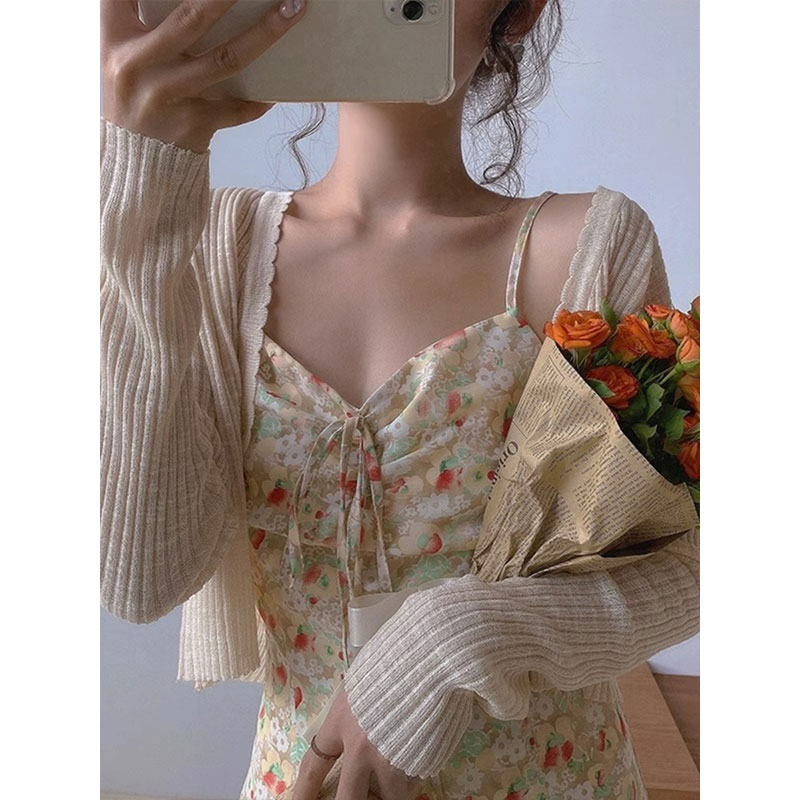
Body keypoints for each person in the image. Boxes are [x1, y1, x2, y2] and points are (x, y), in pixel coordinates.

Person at [100, 2, 699, 799]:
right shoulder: (217, 246)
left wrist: (448, 640)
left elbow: (694, 566)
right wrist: (144, 181)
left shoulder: (587, 243)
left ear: (520, 10)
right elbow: (141, 581)